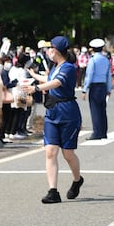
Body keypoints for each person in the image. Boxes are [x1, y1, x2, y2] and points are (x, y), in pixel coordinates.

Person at [29, 36, 84, 203]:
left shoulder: (68, 67)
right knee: (50, 151)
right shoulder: (55, 67)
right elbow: (50, 79)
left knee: (68, 154)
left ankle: (77, 180)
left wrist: (36, 88)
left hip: (68, 113)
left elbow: (57, 83)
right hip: (52, 113)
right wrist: (34, 75)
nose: (48, 51)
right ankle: (53, 191)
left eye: (50, 48)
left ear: (57, 50)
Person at [83, 38, 112, 140]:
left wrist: (84, 89)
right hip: (103, 86)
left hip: (95, 87)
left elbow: (89, 75)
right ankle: (103, 132)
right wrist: (109, 89)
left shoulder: (93, 59)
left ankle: (96, 132)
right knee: (102, 110)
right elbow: (109, 75)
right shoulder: (106, 59)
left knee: (95, 110)